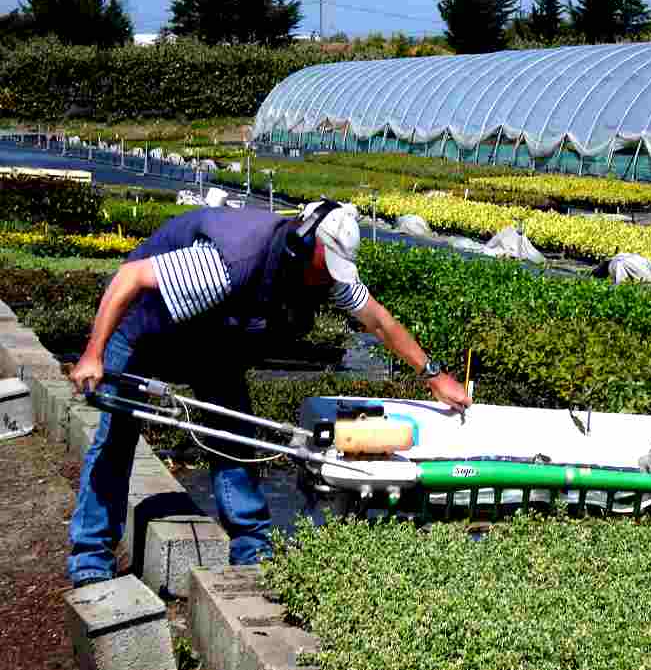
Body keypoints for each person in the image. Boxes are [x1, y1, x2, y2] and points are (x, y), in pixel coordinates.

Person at [67, 200, 471, 587]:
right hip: (144, 327)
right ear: (305, 242)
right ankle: (90, 556)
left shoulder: (326, 276)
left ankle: (251, 547)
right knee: (117, 434)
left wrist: (433, 375)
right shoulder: (230, 260)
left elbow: (378, 321)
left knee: (233, 436)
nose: (331, 276)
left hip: (211, 338)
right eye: (327, 266)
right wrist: (92, 354)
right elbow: (130, 278)